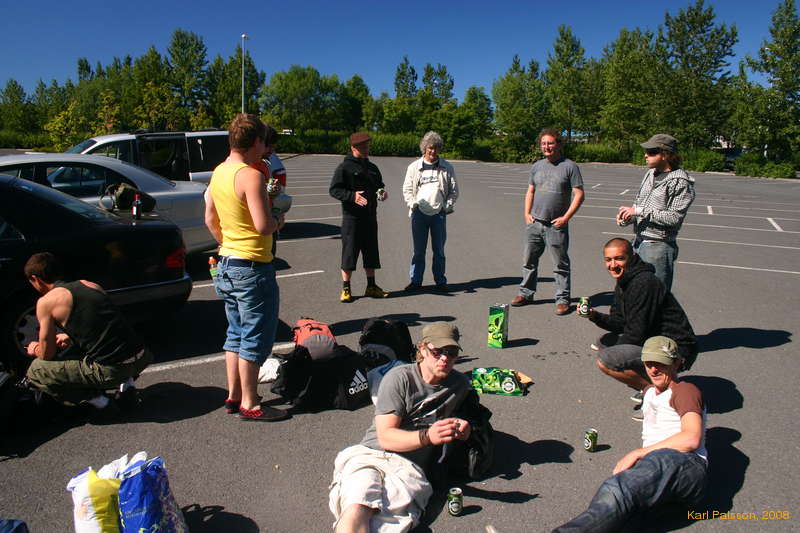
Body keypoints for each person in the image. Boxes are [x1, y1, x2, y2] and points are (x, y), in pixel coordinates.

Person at [552, 336, 708, 532]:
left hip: (682, 463)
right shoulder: (650, 391)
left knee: (617, 491)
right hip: (663, 477)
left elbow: (691, 438)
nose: (653, 369)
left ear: (676, 363)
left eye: (660, 363)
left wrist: (638, 453)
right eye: (649, 363)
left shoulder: (684, 390)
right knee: (621, 517)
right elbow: (615, 367)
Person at [329, 322, 472, 533]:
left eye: (451, 353)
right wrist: (427, 436)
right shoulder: (399, 378)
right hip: (372, 454)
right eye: (437, 351)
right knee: (357, 506)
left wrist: (466, 430)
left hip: (410, 468)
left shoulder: (460, 385)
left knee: (385, 525)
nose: (444, 358)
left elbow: (470, 427)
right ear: (423, 349)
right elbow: (385, 437)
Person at [204, 114, 288, 422]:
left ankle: (234, 395)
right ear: (255, 142)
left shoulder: (219, 172)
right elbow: (263, 225)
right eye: (264, 142)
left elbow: (209, 218)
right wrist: (279, 219)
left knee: (235, 333)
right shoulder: (250, 176)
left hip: (226, 263)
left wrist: (227, 243)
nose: (266, 149)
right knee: (254, 336)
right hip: (252, 267)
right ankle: (251, 403)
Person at [23, 252, 152, 412]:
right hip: (142, 356)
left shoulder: (46, 302)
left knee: (37, 369)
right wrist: (69, 337)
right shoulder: (89, 284)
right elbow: (109, 325)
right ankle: (126, 386)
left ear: (36, 279)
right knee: (88, 351)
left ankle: (101, 403)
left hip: (113, 371)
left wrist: (35, 348)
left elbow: (47, 354)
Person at [585, 238, 698, 413]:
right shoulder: (624, 281)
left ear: (632, 257)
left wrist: (615, 357)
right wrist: (594, 316)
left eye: (619, 258)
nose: (613, 265)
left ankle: (658, 398)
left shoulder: (643, 283)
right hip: (654, 339)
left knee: (606, 360)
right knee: (605, 342)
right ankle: (655, 384)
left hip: (677, 348)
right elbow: (619, 322)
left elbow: (636, 333)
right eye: (608, 260)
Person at [512, 128, 584, 315]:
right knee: (529, 261)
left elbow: (579, 194)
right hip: (535, 223)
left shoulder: (570, 167)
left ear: (559, 144)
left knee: (560, 265)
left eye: (550, 143)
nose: (546, 146)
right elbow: (530, 191)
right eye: (543, 143)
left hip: (556, 225)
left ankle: (562, 300)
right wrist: (526, 214)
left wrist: (566, 217)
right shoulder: (537, 166)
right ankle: (526, 293)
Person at [617, 134, 696, 291]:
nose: (645, 155)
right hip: (638, 243)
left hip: (658, 247)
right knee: (635, 291)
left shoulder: (680, 182)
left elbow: (674, 217)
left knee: (655, 294)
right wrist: (628, 217)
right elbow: (639, 203)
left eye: (651, 152)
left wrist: (638, 211)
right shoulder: (650, 174)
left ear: (665, 154)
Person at [329, 132, 389, 303]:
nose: (366, 149)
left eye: (367, 146)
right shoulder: (344, 167)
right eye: (363, 146)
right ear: (353, 147)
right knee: (349, 253)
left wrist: (382, 193)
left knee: (371, 252)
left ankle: (371, 286)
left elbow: (379, 186)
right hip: (352, 218)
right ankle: (346, 288)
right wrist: (352, 196)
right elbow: (334, 190)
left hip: (370, 216)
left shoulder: (373, 168)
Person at [402, 131, 459, 293]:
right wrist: (412, 204)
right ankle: (415, 281)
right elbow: (407, 189)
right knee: (418, 251)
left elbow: (454, 191)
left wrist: (446, 206)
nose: (433, 151)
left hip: (438, 214)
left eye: (436, 148)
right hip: (419, 214)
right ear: (424, 148)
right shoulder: (414, 167)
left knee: (439, 250)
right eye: (430, 148)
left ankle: (440, 281)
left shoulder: (447, 167)